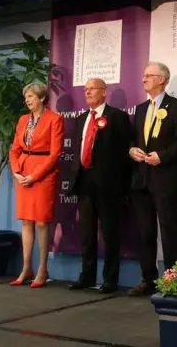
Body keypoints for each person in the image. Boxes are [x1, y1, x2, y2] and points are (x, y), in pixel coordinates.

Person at [66, 78, 132, 293]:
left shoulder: (117, 116)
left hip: (108, 185)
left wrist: (121, 185)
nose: (87, 93)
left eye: (92, 89)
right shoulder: (81, 118)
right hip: (84, 181)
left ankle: (110, 280)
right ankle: (87, 276)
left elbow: (125, 153)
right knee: (86, 233)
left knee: (110, 233)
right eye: (85, 90)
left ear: (104, 92)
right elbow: (78, 148)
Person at [128, 62, 177, 296]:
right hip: (141, 180)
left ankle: (174, 280)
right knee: (145, 232)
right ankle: (148, 279)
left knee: (169, 231)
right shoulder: (141, 108)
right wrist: (132, 150)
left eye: (148, 76)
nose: (143, 79)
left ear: (162, 79)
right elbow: (134, 140)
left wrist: (162, 156)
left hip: (165, 179)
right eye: (143, 75)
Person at [9, 82, 64, 288]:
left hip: (43, 174)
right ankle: (26, 268)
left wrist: (34, 176)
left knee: (42, 221)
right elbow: (15, 149)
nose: (27, 100)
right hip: (23, 171)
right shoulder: (23, 119)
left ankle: (42, 268)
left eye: (31, 96)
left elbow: (55, 153)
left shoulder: (55, 119)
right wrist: (16, 172)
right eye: (26, 97)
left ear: (42, 98)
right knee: (26, 221)